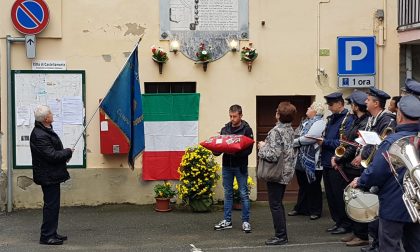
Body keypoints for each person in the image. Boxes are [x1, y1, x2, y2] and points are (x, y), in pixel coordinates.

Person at [350, 95, 420, 252]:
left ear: (399, 115)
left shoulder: (392, 141)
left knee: (389, 245)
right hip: (417, 203)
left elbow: (377, 172)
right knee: (415, 245)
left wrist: (361, 181)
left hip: (394, 204)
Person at [351, 87, 396, 252]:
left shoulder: (387, 120)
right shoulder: (372, 119)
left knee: (377, 208)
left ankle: (378, 245)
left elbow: (382, 146)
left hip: (378, 168)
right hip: (369, 165)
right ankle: (374, 243)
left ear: (376, 103)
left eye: (368, 100)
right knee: (372, 207)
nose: (365, 102)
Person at [30, 105, 73, 245]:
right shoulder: (39, 134)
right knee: (51, 206)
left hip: (52, 174)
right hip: (47, 175)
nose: (52, 114)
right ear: (46, 118)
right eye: (50, 113)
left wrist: (64, 155)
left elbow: (53, 152)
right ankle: (47, 236)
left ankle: (52, 232)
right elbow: (51, 155)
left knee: (53, 206)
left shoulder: (45, 130)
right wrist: (67, 152)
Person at [331, 90, 370, 247]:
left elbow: (355, 147)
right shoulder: (355, 120)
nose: (351, 106)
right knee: (350, 199)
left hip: (355, 166)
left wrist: (338, 158)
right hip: (347, 164)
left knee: (358, 199)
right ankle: (356, 231)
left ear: (356, 106)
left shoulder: (365, 122)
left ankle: (362, 234)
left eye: (352, 103)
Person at [258, 101, 297, 246]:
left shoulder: (276, 131)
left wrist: (262, 147)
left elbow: (273, 155)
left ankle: (281, 236)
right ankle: (281, 234)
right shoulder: (290, 129)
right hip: (286, 171)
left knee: (275, 204)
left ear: (279, 115)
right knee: (278, 203)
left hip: (276, 172)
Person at [214, 104, 254, 233]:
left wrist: (234, 151)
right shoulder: (225, 129)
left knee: (243, 194)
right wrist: (215, 146)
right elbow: (218, 152)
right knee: (228, 194)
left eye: (235, 116)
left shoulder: (247, 130)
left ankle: (246, 221)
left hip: (240, 166)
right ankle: (227, 220)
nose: (232, 119)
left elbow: (249, 150)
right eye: (230, 116)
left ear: (241, 116)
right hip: (227, 166)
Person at [319, 92, 354, 235]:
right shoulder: (332, 118)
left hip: (338, 163)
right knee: (331, 195)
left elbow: (343, 143)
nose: (329, 107)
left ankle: (345, 223)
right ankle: (337, 221)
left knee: (339, 195)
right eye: (328, 104)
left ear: (340, 104)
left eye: (331, 104)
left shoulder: (347, 120)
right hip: (327, 161)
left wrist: (324, 142)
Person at [288, 102, 326, 220]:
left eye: (310, 107)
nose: (307, 108)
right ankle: (301, 208)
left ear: (315, 111)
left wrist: (294, 142)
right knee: (303, 185)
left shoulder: (320, 123)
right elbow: (296, 134)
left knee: (313, 185)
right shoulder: (305, 122)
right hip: (301, 158)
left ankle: (315, 210)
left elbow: (310, 138)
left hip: (313, 161)